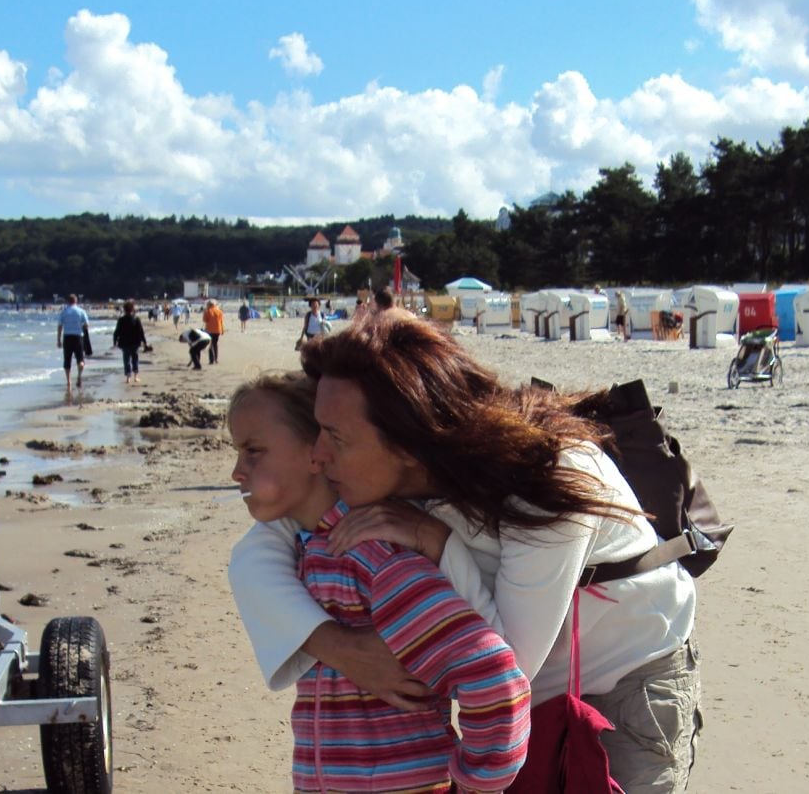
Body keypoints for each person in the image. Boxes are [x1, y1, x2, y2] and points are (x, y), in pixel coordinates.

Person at [230, 313, 700, 793]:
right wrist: (338, 647)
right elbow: (257, 555)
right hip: (514, 712)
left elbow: (509, 666)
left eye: (335, 437)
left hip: (625, 683)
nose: (318, 456)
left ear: (410, 443)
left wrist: (435, 539)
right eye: (317, 432)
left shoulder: (547, 475)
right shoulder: (376, 474)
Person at [227, 372, 531, 792]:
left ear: (317, 453)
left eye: (253, 452)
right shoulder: (313, 554)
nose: (236, 472)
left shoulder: (372, 559)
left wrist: (479, 783)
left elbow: (493, 677)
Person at [55, 294, 89, 393]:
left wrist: (58, 340)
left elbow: (60, 326)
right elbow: (86, 325)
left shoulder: (64, 312)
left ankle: (69, 381)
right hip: (78, 337)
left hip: (67, 337)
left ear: (68, 302)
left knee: (67, 359)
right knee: (80, 359)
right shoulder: (81, 311)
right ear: (76, 301)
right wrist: (81, 327)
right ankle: (79, 375)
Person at [112, 299, 148, 384]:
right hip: (135, 342)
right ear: (132, 309)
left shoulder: (121, 319)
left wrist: (115, 342)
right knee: (135, 359)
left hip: (124, 343)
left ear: (124, 310)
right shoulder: (136, 319)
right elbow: (141, 332)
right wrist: (144, 342)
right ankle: (136, 376)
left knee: (126, 359)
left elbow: (116, 332)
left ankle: (128, 377)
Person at [203, 299, 225, 365]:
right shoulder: (220, 311)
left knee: (210, 345)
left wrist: (205, 312)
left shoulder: (208, 311)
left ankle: (211, 360)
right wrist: (222, 330)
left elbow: (205, 320)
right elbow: (221, 321)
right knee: (215, 344)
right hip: (218, 329)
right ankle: (216, 359)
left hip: (210, 330)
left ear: (208, 305)